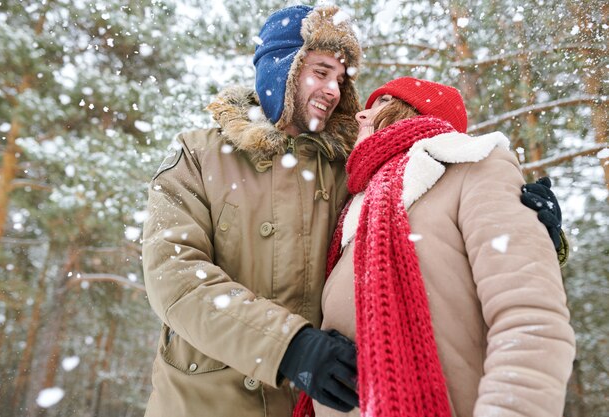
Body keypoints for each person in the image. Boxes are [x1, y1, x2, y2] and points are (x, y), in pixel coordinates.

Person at [142, 5, 567, 417]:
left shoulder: (354, 171)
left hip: (322, 403)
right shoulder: (198, 156)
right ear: (280, 70)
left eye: (341, 78)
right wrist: (286, 345)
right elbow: (175, 279)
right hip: (207, 400)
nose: (334, 89)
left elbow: (437, 237)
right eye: (320, 72)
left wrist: (526, 225)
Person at [294, 77, 576, 417]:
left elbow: (530, 319)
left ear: (414, 111)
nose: (361, 116)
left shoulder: (474, 167)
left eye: (381, 103)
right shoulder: (354, 209)